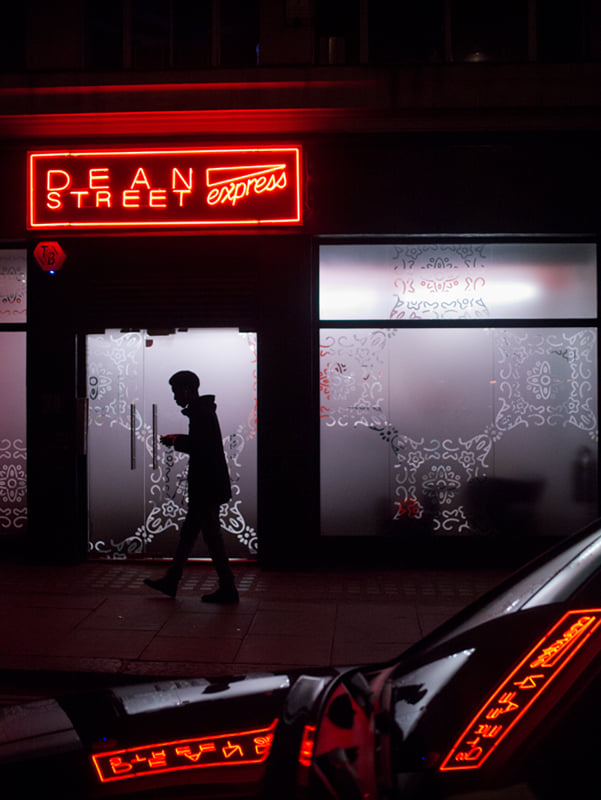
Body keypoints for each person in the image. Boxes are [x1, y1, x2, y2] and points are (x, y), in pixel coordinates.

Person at [144, 370, 238, 603]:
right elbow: (204, 444)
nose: (175, 397)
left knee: (207, 537)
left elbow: (201, 446)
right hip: (209, 485)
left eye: (175, 391)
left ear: (187, 389)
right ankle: (174, 580)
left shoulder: (201, 414)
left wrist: (177, 441)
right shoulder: (203, 412)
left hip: (206, 486)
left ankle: (225, 586)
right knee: (196, 535)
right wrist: (180, 439)